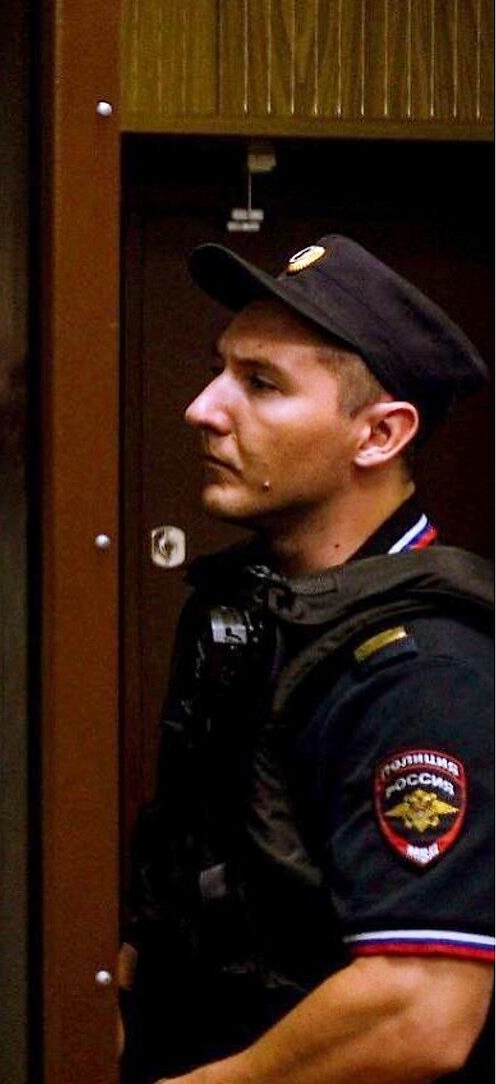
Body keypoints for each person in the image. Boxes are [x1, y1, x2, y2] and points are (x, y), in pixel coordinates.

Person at [120, 234, 494, 1084]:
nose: (203, 407)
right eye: (218, 370)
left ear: (379, 434)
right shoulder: (255, 616)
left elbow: (419, 1009)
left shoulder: (428, 668)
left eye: (261, 383)